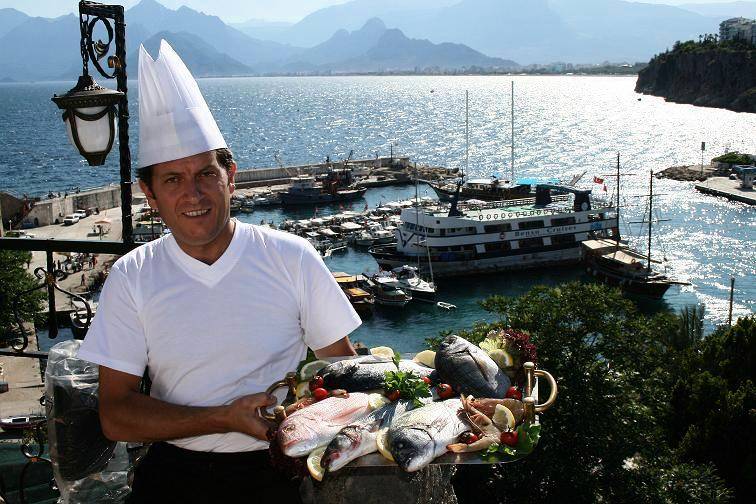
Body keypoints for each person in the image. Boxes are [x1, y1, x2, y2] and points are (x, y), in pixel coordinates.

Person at [77, 41, 361, 503]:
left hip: (280, 470)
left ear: (230, 176)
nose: (193, 194)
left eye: (205, 174)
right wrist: (222, 418)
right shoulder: (132, 276)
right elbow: (116, 415)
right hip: (173, 475)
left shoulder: (292, 257)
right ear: (150, 194)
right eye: (173, 179)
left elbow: (342, 370)